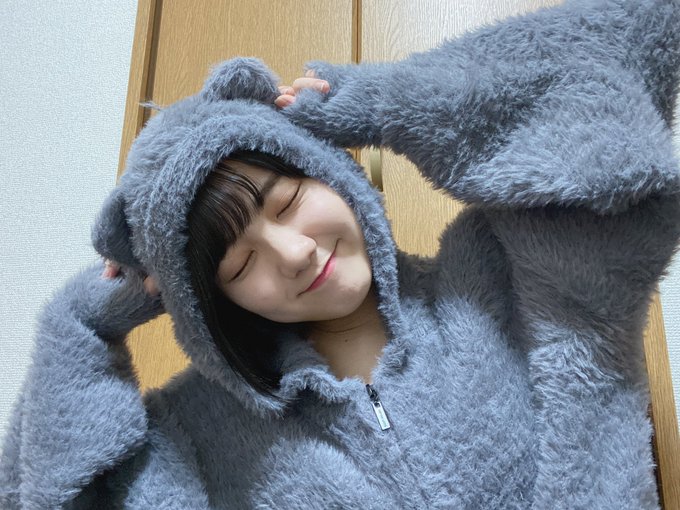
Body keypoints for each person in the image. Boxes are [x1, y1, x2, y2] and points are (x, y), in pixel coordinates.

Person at [2, 0, 680, 508]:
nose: (294, 252)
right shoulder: (199, 433)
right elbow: (52, 494)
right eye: (240, 265)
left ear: (334, 171)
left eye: (288, 202)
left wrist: (393, 105)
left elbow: (624, 53)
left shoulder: (496, 270)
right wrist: (84, 325)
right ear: (217, 303)